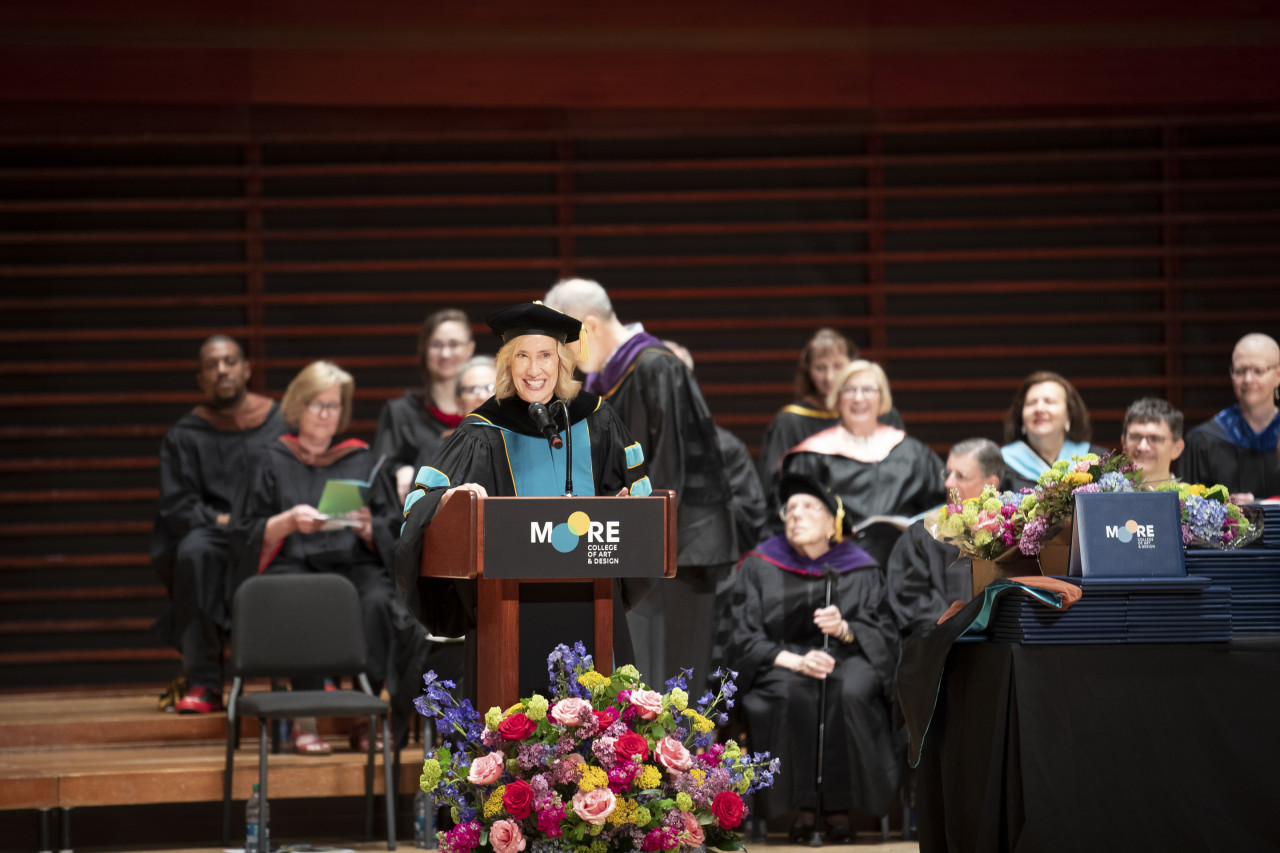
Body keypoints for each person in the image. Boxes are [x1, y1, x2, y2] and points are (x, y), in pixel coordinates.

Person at [394, 303, 653, 666]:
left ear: (562, 360)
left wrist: (623, 512)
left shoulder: (598, 419)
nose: (534, 370)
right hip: (506, 612)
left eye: (545, 355)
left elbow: (639, 501)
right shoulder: (481, 431)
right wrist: (451, 501)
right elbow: (420, 504)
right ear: (507, 364)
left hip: (594, 602)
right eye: (522, 357)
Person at [544, 278, 736, 694]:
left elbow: (672, 462)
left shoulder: (656, 366)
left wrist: (642, 529)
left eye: (564, 339)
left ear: (588, 326)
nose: (562, 354)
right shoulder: (608, 380)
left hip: (677, 550)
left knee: (669, 681)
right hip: (634, 545)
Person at [230, 361, 429, 753]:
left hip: (351, 562)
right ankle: (305, 721)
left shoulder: (362, 460)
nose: (326, 414)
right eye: (317, 405)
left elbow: (394, 529)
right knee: (303, 599)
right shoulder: (267, 459)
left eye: (334, 406)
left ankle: (364, 715)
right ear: (298, 407)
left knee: (375, 599)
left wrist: (368, 527)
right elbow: (241, 532)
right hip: (289, 563)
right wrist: (286, 522)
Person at [726, 472, 901, 841]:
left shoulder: (861, 567)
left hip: (849, 657)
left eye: (808, 507)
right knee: (787, 693)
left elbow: (883, 633)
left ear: (831, 522)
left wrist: (845, 629)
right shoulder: (761, 564)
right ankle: (801, 809)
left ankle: (840, 809)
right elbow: (743, 634)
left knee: (851, 690)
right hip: (781, 661)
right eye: (789, 509)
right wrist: (794, 660)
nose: (795, 515)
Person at [150, 335, 288, 714]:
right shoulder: (186, 434)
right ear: (201, 378)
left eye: (230, 361)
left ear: (247, 369)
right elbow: (178, 506)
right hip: (215, 533)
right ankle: (204, 682)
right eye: (212, 365)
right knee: (192, 554)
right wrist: (231, 522)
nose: (222, 370)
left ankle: (313, 676)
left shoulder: (279, 421)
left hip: (272, 529)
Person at [781, 359, 945, 566]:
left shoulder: (914, 453)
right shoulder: (813, 455)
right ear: (837, 398)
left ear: (882, 398)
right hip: (840, 566)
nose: (858, 398)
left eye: (868, 389)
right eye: (849, 390)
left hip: (908, 563)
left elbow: (943, 503)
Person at [757, 329, 904, 507]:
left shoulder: (913, 455)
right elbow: (780, 496)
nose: (830, 378)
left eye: (867, 390)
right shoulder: (807, 456)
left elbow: (946, 496)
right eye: (820, 368)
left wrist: (937, 532)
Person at [885, 438, 1003, 637]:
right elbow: (909, 596)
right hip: (939, 649)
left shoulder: (1010, 534)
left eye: (961, 476)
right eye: (947, 474)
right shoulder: (923, 533)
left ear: (990, 484)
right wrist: (960, 628)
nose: (948, 483)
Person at [663, 339, 769, 553]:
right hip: (646, 571)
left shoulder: (726, 448)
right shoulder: (627, 443)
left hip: (707, 575)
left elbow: (752, 518)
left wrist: (701, 514)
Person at [373, 308, 475, 506]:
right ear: (424, 350)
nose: (445, 353)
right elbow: (379, 471)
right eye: (436, 345)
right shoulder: (400, 412)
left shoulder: (485, 413)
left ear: (470, 349)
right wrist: (399, 469)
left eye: (454, 344)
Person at [1180, 333, 1280, 502]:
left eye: (1258, 371)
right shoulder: (1203, 441)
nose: (1248, 379)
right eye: (1240, 371)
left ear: (1278, 375)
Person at [1000, 371, 1106, 491]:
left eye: (1049, 401)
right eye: (1031, 403)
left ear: (1069, 415)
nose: (1039, 408)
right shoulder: (1001, 464)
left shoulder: (1098, 460)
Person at [1120, 398, 1185, 487]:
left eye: (1155, 438)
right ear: (1124, 443)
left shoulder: (1192, 499)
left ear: (1177, 448)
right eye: (1135, 437)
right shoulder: (1103, 498)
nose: (1142, 447)